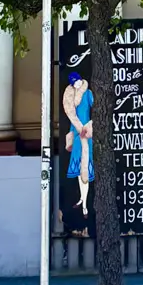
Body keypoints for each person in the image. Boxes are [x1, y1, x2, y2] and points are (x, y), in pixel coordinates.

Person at [63, 73, 94, 224]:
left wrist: (89, 126)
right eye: (73, 83)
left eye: (77, 82)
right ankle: (82, 199)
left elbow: (97, 110)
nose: (76, 85)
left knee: (85, 170)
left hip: (86, 134)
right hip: (76, 134)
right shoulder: (70, 97)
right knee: (78, 170)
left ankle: (85, 206)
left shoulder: (88, 93)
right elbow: (71, 117)